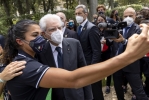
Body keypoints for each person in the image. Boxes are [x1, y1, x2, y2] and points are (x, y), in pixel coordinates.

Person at [2, 19, 149, 100]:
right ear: (20, 41)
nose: (40, 39)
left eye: (41, 34)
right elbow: (74, 79)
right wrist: (130, 55)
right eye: (35, 36)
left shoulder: (25, 58)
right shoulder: (24, 66)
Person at [37, 14, 93, 100]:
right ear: (44, 34)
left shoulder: (74, 44)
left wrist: (89, 98)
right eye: (52, 29)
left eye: (59, 28)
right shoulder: (40, 51)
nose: (58, 31)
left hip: (76, 96)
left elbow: (84, 73)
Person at [112, 7, 148, 100]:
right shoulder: (119, 27)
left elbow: (137, 44)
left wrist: (123, 40)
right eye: (125, 16)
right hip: (117, 63)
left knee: (138, 90)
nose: (127, 18)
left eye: (130, 16)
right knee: (118, 88)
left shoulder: (138, 29)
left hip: (131, 64)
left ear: (135, 16)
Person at [75, 4, 103, 100]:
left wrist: (92, 67)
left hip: (90, 65)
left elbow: (96, 51)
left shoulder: (92, 28)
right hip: (83, 65)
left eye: (79, 13)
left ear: (86, 14)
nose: (77, 15)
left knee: (96, 91)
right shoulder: (78, 28)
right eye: (76, 14)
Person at [96, 14, 113, 94]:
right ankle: (99, 85)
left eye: (101, 20)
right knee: (99, 69)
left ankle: (108, 86)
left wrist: (107, 41)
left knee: (108, 69)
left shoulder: (108, 30)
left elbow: (111, 43)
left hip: (107, 52)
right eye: (98, 20)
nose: (100, 22)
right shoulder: (95, 30)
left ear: (105, 21)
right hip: (99, 53)